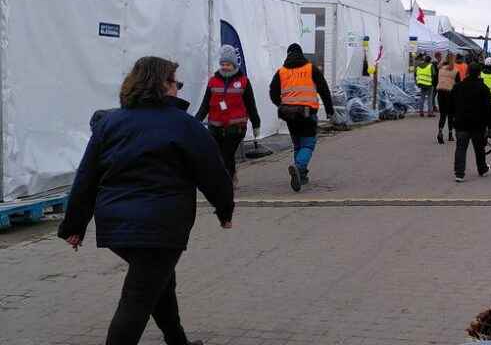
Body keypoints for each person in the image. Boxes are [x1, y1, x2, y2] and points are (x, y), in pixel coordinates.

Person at [58, 56, 234, 345]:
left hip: (116, 226)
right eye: (175, 83)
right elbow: (213, 172)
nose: (178, 89)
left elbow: (87, 176)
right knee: (138, 296)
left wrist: (74, 225)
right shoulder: (184, 125)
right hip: (163, 226)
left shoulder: (110, 123)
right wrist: (224, 209)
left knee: (159, 281)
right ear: (161, 85)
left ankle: (177, 341)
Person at [270, 43, 334, 192]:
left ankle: (302, 175)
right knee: (308, 144)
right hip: (307, 113)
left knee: (298, 144)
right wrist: (329, 110)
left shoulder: (281, 72)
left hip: (289, 115)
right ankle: (298, 168)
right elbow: (324, 90)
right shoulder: (310, 69)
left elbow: (272, 93)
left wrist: (282, 104)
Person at [194, 45, 261, 185]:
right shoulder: (213, 81)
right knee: (219, 155)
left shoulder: (243, 82)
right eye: (223, 64)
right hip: (215, 126)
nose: (225, 67)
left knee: (226, 154)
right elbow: (205, 104)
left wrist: (256, 124)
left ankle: (226, 183)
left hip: (236, 128)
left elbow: (251, 105)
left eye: (228, 64)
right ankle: (231, 175)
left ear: (234, 65)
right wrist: (196, 120)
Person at [451, 62, 491, 182]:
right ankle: (482, 169)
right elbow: (489, 109)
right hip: (478, 124)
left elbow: (451, 106)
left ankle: (459, 173)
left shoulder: (458, 87)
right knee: (479, 148)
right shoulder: (483, 88)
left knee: (460, 148)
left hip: (461, 123)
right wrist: (490, 126)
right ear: (479, 73)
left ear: (467, 72)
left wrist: (453, 119)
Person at [436, 54, 460, 144]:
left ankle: (440, 131)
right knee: (450, 115)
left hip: (440, 92)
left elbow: (436, 79)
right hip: (450, 93)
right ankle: (450, 135)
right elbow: (458, 84)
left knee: (443, 114)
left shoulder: (440, 69)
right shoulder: (455, 71)